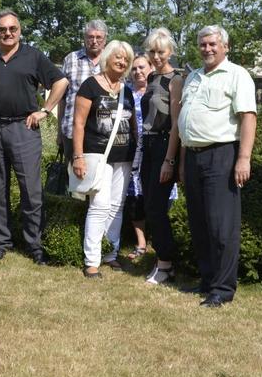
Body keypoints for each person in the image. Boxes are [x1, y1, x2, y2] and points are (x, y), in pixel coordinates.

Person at [0, 10, 68, 264]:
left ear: (20, 30)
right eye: (2, 29)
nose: (8, 33)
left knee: (31, 190)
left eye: (12, 28)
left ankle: (34, 245)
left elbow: (61, 82)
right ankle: (0, 241)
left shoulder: (33, 56)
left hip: (23, 129)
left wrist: (45, 110)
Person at [177, 24, 257, 306]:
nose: (207, 49)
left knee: (221, 226)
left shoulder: (237, 75)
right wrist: (183, 162)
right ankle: (208, 281)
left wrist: (243, 158)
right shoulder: (194, 77)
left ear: (225, 47)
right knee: (199, 223)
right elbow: (186, 122)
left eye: (213, 44)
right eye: (203, 44)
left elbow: (248, 117)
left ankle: (223, 289)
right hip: (194, 155)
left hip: (222, 155)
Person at [72, 41, 138, 277]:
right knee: (99, 207)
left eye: (126, 59)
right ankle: (92, 261)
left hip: (124, 157)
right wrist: (77, 156)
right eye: (118, 57)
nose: (122, 62)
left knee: (116, 207)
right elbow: (78, 123)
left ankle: (111, 253)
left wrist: (136, 153)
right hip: (98, 156)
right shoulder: (90, 86)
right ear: (107, 57)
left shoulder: (126, 90)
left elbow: (132, 126)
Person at [141, 27, 184, 286]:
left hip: (165, 146)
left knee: (157, 208)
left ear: (170, 52)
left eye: (161, 52)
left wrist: (170, 160)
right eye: (152, 51)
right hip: (147, 146)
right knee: (149, 207)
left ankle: (166, 264)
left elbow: (176, 123)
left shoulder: (175, 80)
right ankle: (162, 261)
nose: (156, 56)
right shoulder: (150, 78)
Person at [58, 20, 108, 158]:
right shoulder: (71, 59)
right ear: (85, 38)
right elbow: (62, 98)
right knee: (72, 176)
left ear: (105, 40)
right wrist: (59, 133)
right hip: (71, 131)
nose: (94, 41)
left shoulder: (111, 61)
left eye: (99, 37)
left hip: (102, 134)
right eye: (90, 37)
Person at [124, 53, 151, 261]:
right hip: (132, 151)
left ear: (150, 68)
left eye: (142, 67)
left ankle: (158, 241)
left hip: (156, 149)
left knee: (157, 196)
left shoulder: (158, 91)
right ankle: (141, 243)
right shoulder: (126, 93)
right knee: (134, 197)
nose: (138, 71)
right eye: (134, 68)